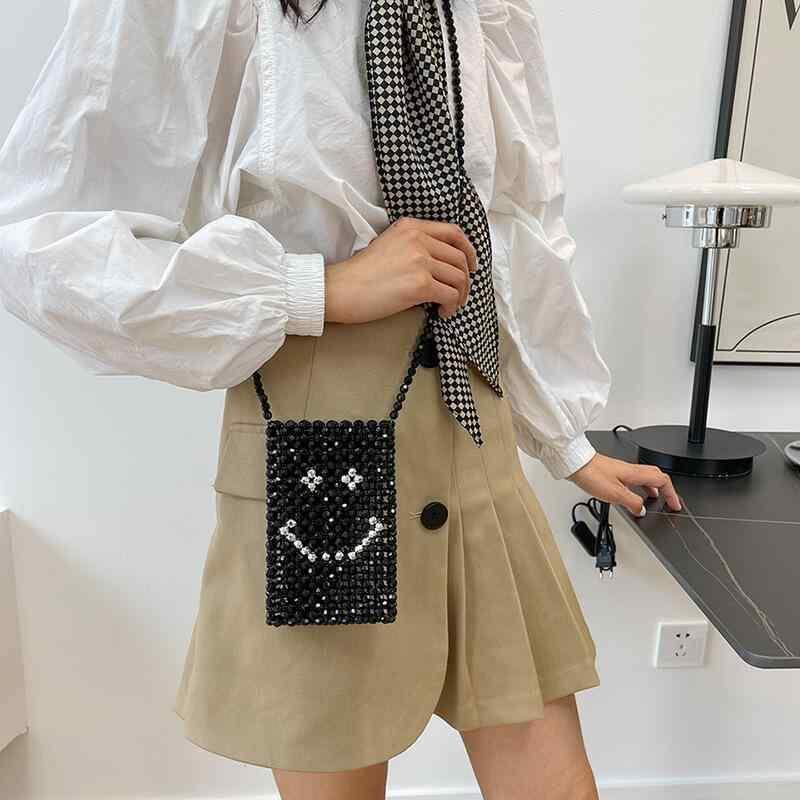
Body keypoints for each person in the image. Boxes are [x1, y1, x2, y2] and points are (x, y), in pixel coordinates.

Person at [0, 0, 681, 797]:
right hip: (321, 434)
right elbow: (42, 239)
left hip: (473, 414)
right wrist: (312, 288)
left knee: (558, 786)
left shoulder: (482, 9)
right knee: (337, 774)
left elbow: (516, 227)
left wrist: (565, 441)